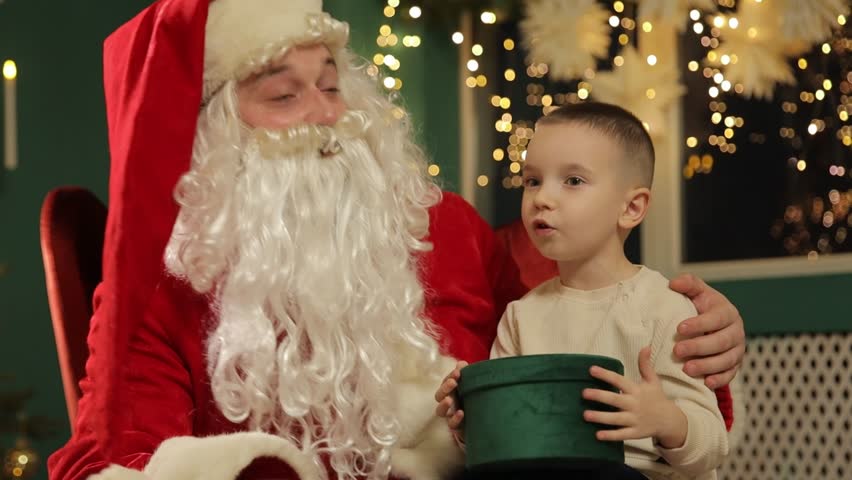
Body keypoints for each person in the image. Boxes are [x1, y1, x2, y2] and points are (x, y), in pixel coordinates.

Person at [48, 1, 744, 479]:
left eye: (329, 83)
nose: (326, 116)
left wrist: (696, 333)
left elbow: (594, 321)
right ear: (214, 135)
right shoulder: (162, 287)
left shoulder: (440, 223)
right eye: (284, 96)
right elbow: (113, 458)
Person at [436, 103, 731, 480]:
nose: (542, 198)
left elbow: (711, 449)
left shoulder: (664, 308)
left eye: (573, 181)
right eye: (533, 181)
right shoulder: (521, 317)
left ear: (631, 208)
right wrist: (473, 421)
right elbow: (515, 439)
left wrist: (665, 419)